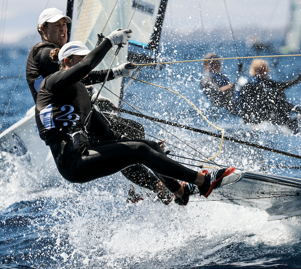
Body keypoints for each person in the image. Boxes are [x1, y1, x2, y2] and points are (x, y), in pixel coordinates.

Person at [35, 29, 236, 202]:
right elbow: (87, 66)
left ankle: (179, 192)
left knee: (149, 146)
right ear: (68, 62)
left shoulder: (83, 98)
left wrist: (126, 142)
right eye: (79, 60)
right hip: (72, 162)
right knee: (139, 150)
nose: (87, 67)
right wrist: (109, 41)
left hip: (86, 152)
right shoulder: (51, 83)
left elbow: (106, 134)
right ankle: (203, 182)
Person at [26, 8, 177, 204]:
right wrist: (111, 56)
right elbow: (81, 71)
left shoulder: (56, 55)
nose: (63, 29)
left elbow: (78, 78)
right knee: (129, 137)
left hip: (77, 116)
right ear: (42, 28)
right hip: (69, 128)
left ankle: (148, 184)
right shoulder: (45, 53)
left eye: (64, 25)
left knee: (132, 132)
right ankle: (156, 186)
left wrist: (115, 72)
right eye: (57, 26)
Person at [234, 59, 301, 133]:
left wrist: (298, 79)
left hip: (248, 114)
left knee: (275, 96)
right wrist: (299, 110)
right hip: (253, 116)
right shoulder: (253, 83)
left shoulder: (249, 79)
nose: (268, 72)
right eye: (266, 70)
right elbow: (277, 93)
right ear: (259, 71)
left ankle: (289, 120)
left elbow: (279, 86)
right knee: (275, 98)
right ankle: (290, 123)